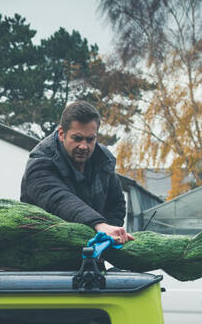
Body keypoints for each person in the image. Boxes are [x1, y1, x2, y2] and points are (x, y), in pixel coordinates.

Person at [20, 100, 133, 244]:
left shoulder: (104, 162)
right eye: (77, 138)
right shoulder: (40, 163)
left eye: (90, 139)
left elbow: (116, 206)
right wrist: (99, 225)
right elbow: (59, 199)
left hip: (90, 254)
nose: (84, 146)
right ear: (61, 134)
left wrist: (104, 239)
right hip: (44, 254)